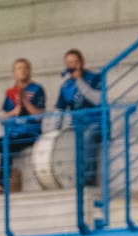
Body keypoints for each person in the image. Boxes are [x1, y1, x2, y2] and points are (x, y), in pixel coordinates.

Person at [0, 58, 45, 196]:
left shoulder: (37, 89)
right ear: (14, 73)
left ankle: (1, 186)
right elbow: (4, 117)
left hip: (30, 133)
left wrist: (25, 101)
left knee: (7, 146)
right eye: (19, 68)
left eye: (25, 68)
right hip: (13, 133)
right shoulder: (10, 93)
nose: (22, 71)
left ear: (29, 71)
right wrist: (13, 112)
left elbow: (39, 116)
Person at [55, 49, 102, 187]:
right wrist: (55, 131)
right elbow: (59, 110)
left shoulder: (95, 77)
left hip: (97, 123)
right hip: (77, 125)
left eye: (76, 62)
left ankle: (87, 180)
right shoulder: (65, 86)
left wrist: (79, 81)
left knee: (87, 136)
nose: (73, 65)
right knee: (67, 140)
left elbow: (98, 100)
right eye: (69, 63)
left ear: (82, 62)